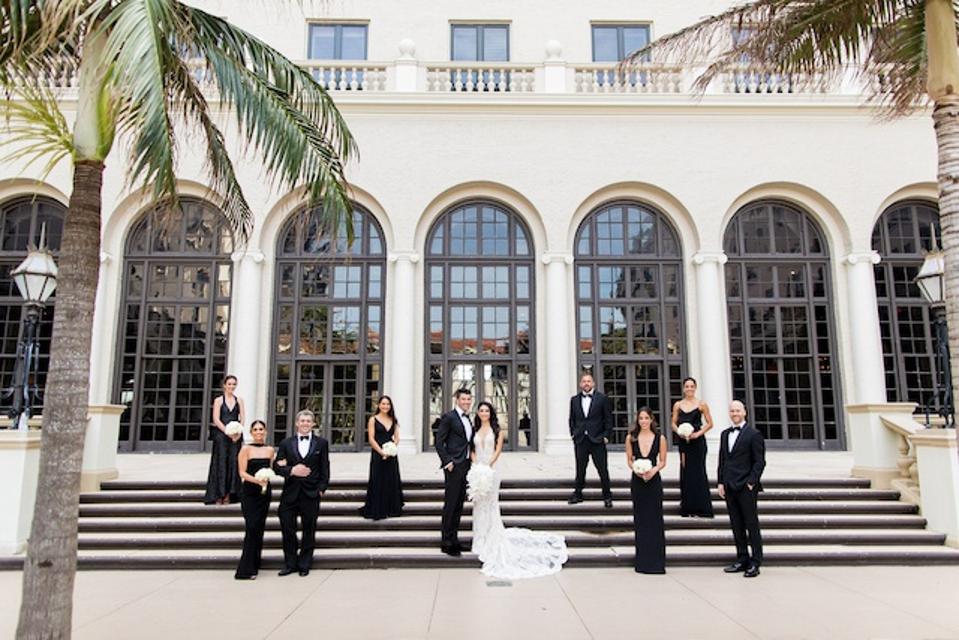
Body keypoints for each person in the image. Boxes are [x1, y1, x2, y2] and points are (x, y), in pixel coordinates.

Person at [469, 401, 568, 579]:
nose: (484, 413)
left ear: (491, 413)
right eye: (481, 410)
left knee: (491, 504)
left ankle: (492, 538)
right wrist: (476, 465)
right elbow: (472, 450)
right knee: (478, 505)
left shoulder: (497, 431)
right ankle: (479, 540)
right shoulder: (474, 430)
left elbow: (498, 450)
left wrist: (488, 466)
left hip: (491, 470)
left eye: (486, 410)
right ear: (478, 413)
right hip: (477, 470)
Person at [274, 409, 330, 577]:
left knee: (309, 530)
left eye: (308, 421)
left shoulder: (322, 443)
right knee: (287, 528)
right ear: (297, 423)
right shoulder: (286, 443)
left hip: (311, 494)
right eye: (302, 421)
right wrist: (292, 470)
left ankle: (304, 564)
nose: (305, 424)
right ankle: (290, 564)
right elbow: (277, 467)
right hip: (290, 493)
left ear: (313, 424)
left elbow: (324, 468)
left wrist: (321, 489)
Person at [718, 400, 766, 578]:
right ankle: (742, 558)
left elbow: (759, 461)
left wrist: (751, 482)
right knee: (736, 524)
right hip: (729, 485)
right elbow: (723, 460)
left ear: (744, 412)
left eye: (737, 410)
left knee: (751, 524)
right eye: (732, 411)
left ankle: (756, 561)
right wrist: (721, 482)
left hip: (746, 486)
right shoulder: (724, 434)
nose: (734, 413)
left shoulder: (754, 434)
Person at [626, 407, 667, 574]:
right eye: (641, 418)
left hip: (653, 481)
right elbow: (629, 459)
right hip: (637, 482)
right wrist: (635, 469)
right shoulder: (631, 438)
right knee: (641, 520)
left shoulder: (660, 438)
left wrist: (653, 470)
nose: (643, 421)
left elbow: (663, 461)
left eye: (646, 418)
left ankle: (657, 562)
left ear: (651, 420)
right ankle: (642, 561)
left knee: (655, 520)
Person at [435, 388, 474, 556]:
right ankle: (446, 542)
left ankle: (455, 540)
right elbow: (438, 441)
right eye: (463, 399)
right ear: (457, 400)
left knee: (459, 504)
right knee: (451, 504)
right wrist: (447, 461)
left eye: (468, 399)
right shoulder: (449, 417)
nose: (466, 402)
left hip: (465, 464)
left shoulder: (468, 419)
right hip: (454, 466)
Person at [234, 420, 275, 580]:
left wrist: (267, 478)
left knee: (259, 528)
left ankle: (255, 563)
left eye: (261, 429)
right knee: (251, 527)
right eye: (255, 429)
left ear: (265, 432)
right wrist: (257, 480)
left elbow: (270, 468)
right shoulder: (245, 449)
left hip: (264, 493)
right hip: (250, 492)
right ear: (251, 432)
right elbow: (242, 473)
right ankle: (244, 570)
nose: (259, 432)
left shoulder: (270, 450)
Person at [568, 372, 613, 507]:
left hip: (597, 439)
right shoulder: (574, 400)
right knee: (580, 468)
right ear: (580, 384)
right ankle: (578, 494)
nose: (586, 383)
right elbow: (572, 419)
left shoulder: (602, 399)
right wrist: (573, 434)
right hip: (581, 439)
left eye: (589, 381)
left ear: (593, 383)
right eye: (584, 381)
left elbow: (608, 419)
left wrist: (606, 436)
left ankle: (607, 496)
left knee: (602, 469)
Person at [671, 377, 715, 518]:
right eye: (687, 386)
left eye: (692, 386)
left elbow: (709, 423)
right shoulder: (678, 405)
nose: (689, 389)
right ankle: (688, 506)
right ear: (683, 388)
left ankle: (702, 507)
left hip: (698, 442)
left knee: (699, 472)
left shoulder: (702, 404)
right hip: (684, 442)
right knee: (686, 471)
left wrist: (697, 434)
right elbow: (673, 423)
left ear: (695, 388)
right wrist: (679, 432)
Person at [359, 395, 404, 520]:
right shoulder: (373, 419)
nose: (385, 406)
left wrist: (391, 449)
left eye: (388, 404)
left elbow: (397, 437)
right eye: (383, 404)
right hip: (378, 454)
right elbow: (371, 439)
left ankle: (391, 508)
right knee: (378, 480)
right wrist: (381, 452)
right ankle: (378, 509)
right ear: (379, 405)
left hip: (391, 455)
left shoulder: (393, 420)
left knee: (390, 480)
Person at [204, 374, 245, 505]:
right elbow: (216, 418)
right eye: (229, 384)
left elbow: (242, 417)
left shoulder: (239, 400)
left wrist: (238, 431)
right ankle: (218, 493)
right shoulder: (218, 401)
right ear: (224, 385)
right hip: (222, 435)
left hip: (236, 436)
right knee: (221, 463)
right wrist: (227, 431)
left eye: (234, 384)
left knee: (234, 463)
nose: (231, 386)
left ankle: (229, 494)